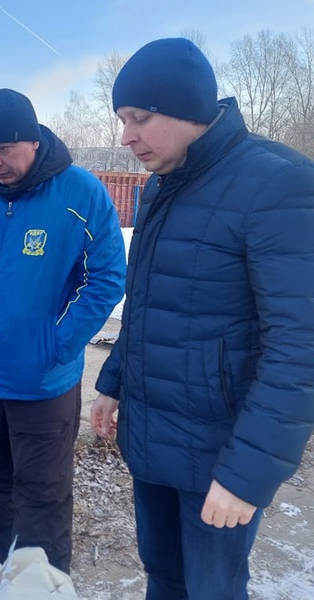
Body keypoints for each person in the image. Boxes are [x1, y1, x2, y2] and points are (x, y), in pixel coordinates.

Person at [90, 38, 314, 599]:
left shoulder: (277, 183)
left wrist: (245, 477)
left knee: (213, 590)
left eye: (139, 118)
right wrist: (113, 382)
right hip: (154, 436)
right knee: (163, 578)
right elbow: (148, 301)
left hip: (220, 452)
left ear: (188, 108)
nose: (126, 136)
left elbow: (300, 345)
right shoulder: (162, 184)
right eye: (122, 120)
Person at [0, 88, 126, 574]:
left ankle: (44, 587)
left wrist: (56, 344)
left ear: (33, 142)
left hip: (42, 387)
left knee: (42, 503)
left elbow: (106, 278)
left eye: (4, 149)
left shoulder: (80, 194)